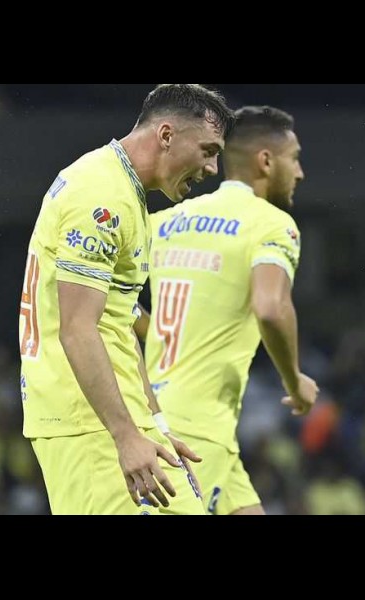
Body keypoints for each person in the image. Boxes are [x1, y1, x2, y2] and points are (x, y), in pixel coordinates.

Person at [19, 84, 235, 515]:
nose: (213, 168)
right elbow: (77, 329)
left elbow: (116, 325)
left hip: (118, 417)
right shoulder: (99, 196)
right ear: (167, 134)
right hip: (87, 422)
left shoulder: (125, 193)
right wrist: (124, 435)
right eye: (208, 151)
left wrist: (153, 423)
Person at [135, 105, 319, 515]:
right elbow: (270, 308)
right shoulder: (272, 225)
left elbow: (117, 300)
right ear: (266, 161)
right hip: (198, 430)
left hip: (169, 416)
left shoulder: (167, 221)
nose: (300, 172)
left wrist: (155, 332)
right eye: (294, 159)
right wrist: (294, 382)